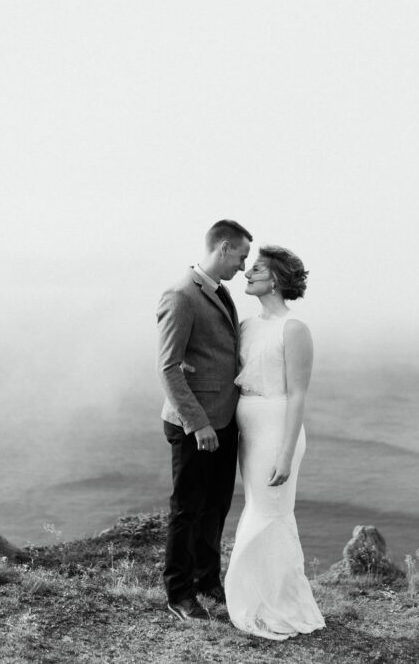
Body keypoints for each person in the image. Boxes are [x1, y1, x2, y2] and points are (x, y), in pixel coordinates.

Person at [224, 245, 325, 640]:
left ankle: (272, 603)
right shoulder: (248, 326)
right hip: (249, 426)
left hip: (276, 428)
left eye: (258, 270)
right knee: (258, 507)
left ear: (277, 280)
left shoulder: (294, 329)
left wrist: (285, 454)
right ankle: (262, 596)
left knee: (270, 513)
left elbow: (298, 394)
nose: (247, 274)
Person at [156, 219, 253, 621]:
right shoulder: (181, 295)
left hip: (224, 420)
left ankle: (207, 579)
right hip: (194, 425)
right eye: (242, 256)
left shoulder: (220, 291)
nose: (244, 266)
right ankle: (179, 594)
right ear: (224, 247)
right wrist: (198, 424)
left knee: (216, 507)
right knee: (187, 510)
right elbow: (168, 367)